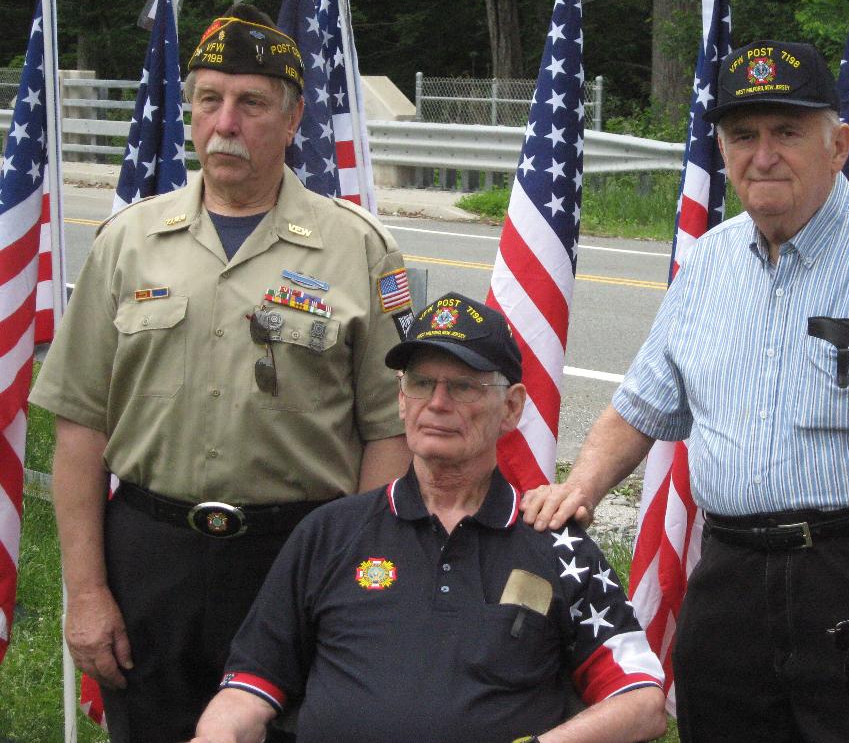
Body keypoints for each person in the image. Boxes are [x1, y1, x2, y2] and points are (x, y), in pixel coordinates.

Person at [520, 39, 849, 742]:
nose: (763, 155)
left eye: (787, 132)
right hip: (732, 581)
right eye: (743, 135)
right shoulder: (710, 261)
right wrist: (581, 486)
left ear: (837, 145)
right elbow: (642, 403)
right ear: (721, 149)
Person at [29, 4, 412, 741]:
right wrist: (86, 592)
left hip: (297, 556)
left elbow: (389, 431)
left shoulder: (358, 249)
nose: (225, 123)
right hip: (151, 559)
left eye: (252, 103)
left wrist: (354, 579)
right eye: (209, 100)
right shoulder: (128, 242)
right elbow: (80, 425)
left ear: (294, 118)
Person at [188, 292, 668, 743]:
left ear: (511, 408)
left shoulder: (555, 544)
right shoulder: (329, 533)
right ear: (401, 399)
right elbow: (249, 686)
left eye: (463, 387)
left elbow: (641, 702)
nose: (437, 403)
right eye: (420, 384)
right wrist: (216, 734)